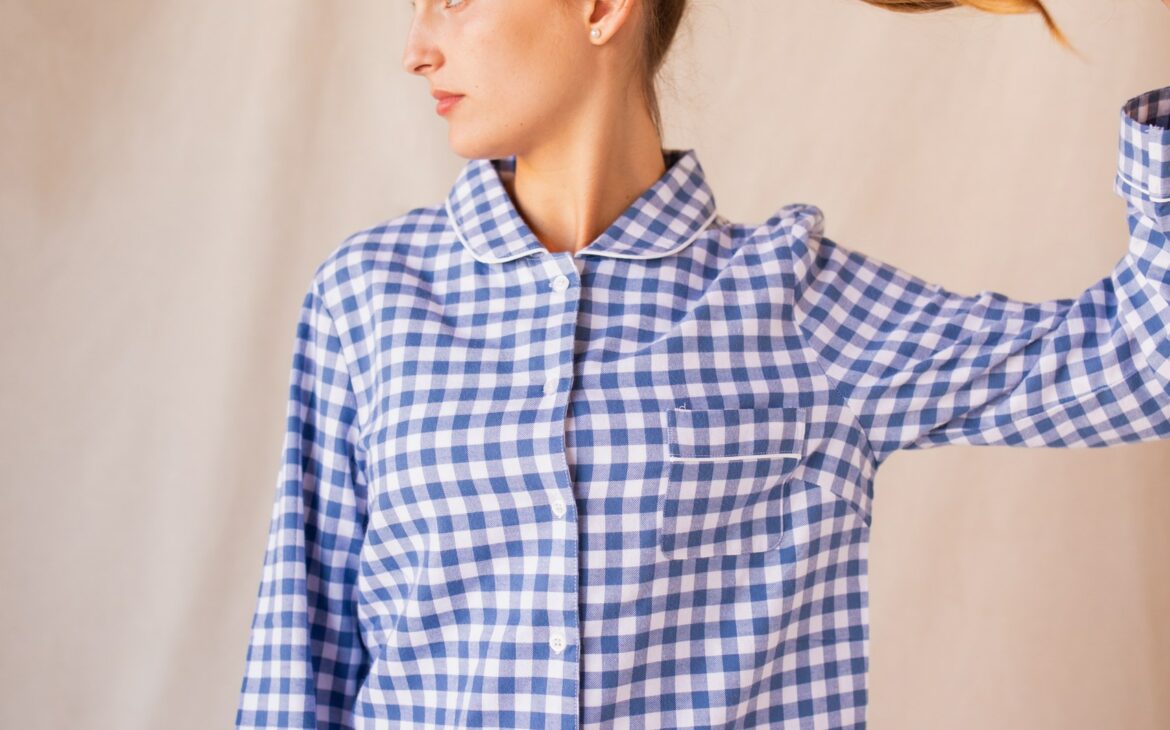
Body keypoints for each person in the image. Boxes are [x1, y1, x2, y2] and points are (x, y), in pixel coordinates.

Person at [235, 1, 1170, 727]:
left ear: (601, 7)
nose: (415, 49)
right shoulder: (370, 296)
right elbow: (302, 656)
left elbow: (1141, 362)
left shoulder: (795, 302)